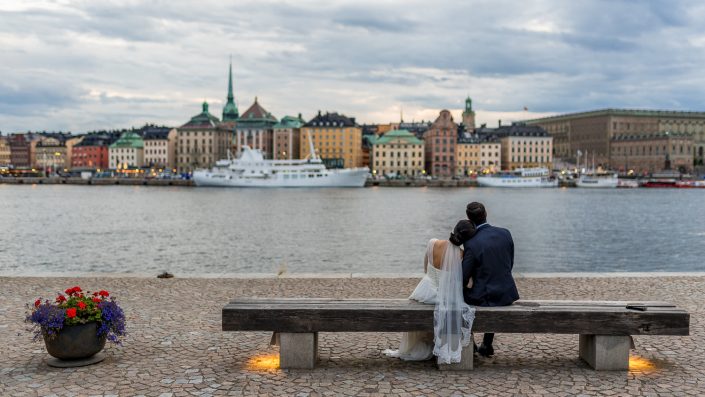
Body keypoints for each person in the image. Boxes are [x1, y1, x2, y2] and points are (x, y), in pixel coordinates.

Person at [384, 220, 476, 363]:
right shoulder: (461, 255)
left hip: (425, 292)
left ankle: (416, 345)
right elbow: (468, 284)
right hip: (444, 296)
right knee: (464, 309)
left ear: (454, 229)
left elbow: (426, 269)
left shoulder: (432, 243)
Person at [462, 202, 520, 358]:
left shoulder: (471, 242)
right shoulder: (505, 233)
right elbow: (509, 264)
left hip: (485, 296)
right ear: (486, 213)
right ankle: (487, 343)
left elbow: (463, 277)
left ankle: (471, 343)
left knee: (457, 296)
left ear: (469, 218)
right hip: (507, 294)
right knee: (490, 288)